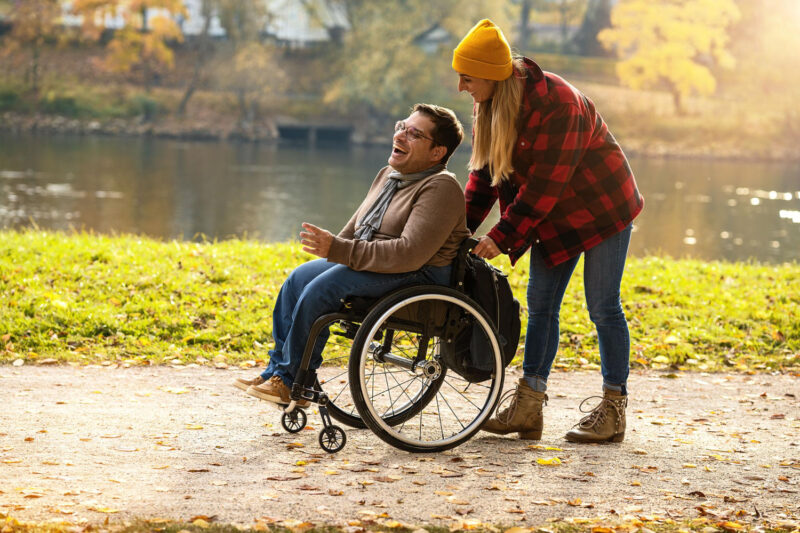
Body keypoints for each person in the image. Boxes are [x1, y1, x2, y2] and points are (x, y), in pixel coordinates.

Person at [451, 20, 644, 443]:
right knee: (540, 305)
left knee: (602, 306)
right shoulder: (493, 105)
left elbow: (544, 187)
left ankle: (613, 409)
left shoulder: (559, 103)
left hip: (602, 208)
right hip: (553, 217)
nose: (461, 87)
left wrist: (500, 236)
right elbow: (483, 176)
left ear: (490, 73)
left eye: (467, 77)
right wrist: (458, 231)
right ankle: (527, 405)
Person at [233, 103, 470, 406]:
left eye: (414, 134)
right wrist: (334, 249)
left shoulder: (441, 187)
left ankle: (292, 381)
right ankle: (279, 372)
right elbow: (355, 229)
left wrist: (340, 250)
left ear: (437, 152)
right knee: (298, 279)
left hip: (418, 275)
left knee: (321, 290)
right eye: (401, 127)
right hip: (380, 263)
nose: (400, 135)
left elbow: (409, 254)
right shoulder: (389, 175)